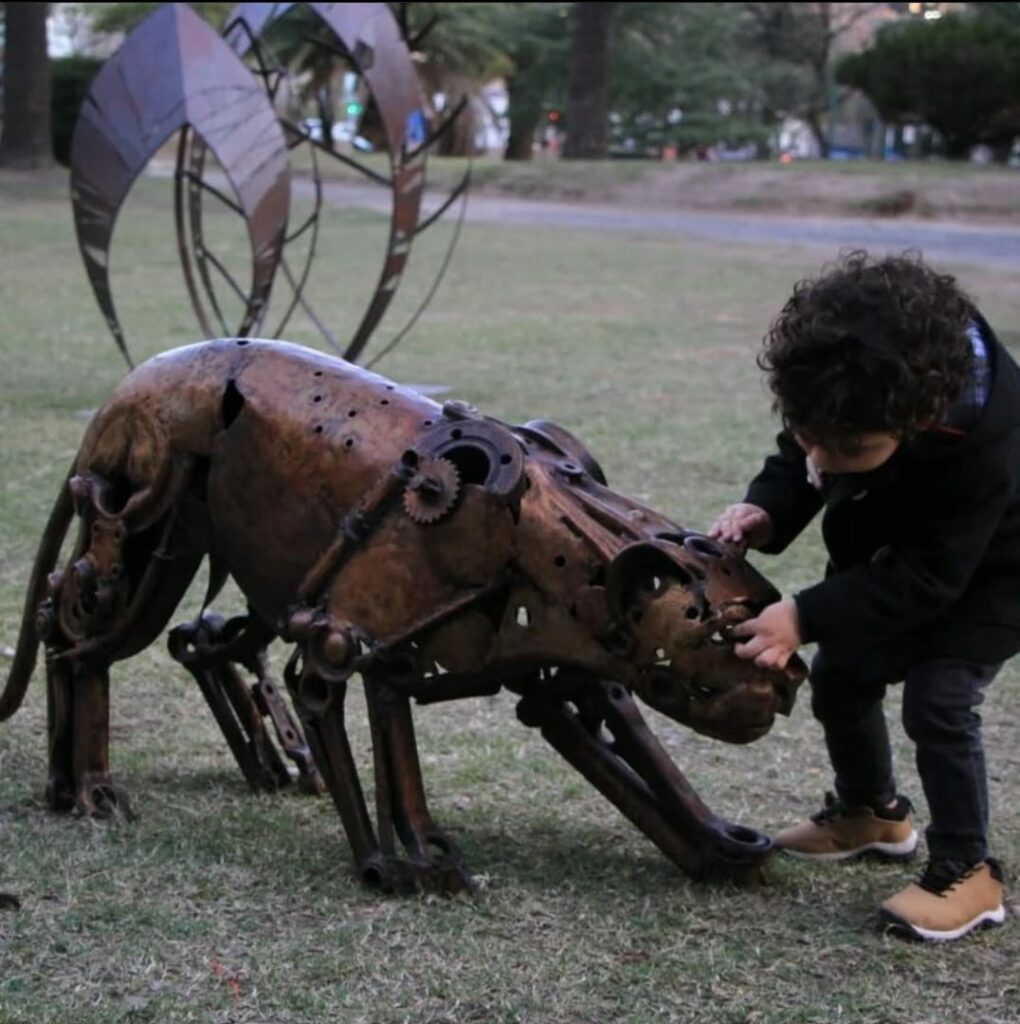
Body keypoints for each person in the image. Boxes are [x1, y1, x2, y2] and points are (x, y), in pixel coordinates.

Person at [709, 250, 1017, 942]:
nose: (821, 460)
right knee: (843, 674)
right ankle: (871, 812)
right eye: (811, 435)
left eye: (846, 449)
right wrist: (769, 510)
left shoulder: (986, 439)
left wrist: (806, 614)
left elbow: (928, 578)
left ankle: (969, 870)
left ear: (922, 418)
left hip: (996, 573)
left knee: (939, 698)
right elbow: (800, 456)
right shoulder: (846, 396)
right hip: (906, 559)